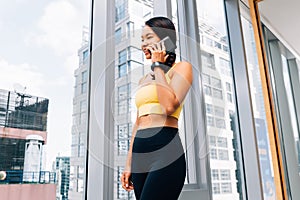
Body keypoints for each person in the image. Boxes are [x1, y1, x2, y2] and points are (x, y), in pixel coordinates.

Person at [120, 16, 193, 200]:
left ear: (165, 38)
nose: (143, 44)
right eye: (142, 40)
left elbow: (168, 106)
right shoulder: (144, 80)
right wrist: (129, 163)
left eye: (149, 38)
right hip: (139, 150)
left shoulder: (182, 68)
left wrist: (158, 66)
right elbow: (138, 122)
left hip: (165, 148)